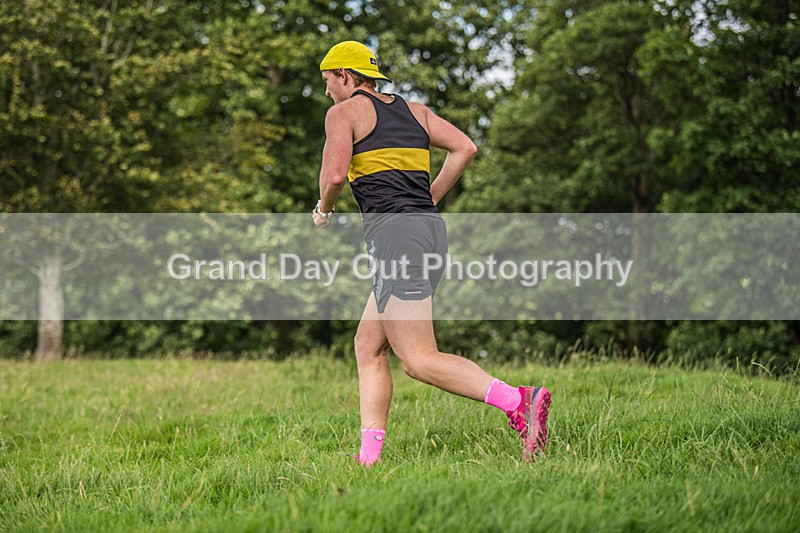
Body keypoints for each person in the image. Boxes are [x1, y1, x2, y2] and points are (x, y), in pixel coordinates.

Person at [312, 41, 550, 465]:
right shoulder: (415, 110)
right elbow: (466, 147)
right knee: (368, 345)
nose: (327, 91)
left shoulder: (343, 113)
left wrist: (323, 210)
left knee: (418, 359)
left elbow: (333, 175)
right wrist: (428, 197)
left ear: (345, 75)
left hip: (396, 238)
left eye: (328, 81)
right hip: (428, 232)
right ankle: (369, 459)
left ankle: (520, 401)